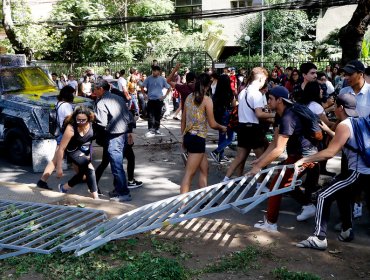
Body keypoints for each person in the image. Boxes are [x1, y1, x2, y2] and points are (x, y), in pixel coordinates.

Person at [295, 93, 370, 250]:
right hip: (364, 171)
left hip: (356, 172)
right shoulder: (359, 120)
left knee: (323, 196)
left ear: (340, 108)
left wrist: (304, 160)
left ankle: (319, 238)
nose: (333, 109)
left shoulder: (344, 125)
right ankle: (347, 231)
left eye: (335, 106)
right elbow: (348, 141)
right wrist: (329, 130)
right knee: (342, 194)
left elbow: (329, 153)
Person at [249, 86, 321, 232]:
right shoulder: (280, 115)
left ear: (280, 100)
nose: (267, 101)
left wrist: (259, 167)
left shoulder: (288, 116)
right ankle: (308, 206)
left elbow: (279, 149)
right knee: (285, 183)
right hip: (298, 155)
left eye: (270, 99)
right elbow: (275, 143)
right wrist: (260, 160)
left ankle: (270, 223)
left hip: (305, 156)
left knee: (277, 185)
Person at [223, 67, 275, 181]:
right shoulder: (256, 94)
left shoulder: (243, 91)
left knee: (239, 157)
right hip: (253, 129)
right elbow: (259, 114)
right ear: (261, 78)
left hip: (242, 127)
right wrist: (274, 116)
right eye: (265, 80)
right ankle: (259, 185)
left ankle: (225, 180)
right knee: (262, 159)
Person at [180, 73, 227, 194]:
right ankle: (182, 206)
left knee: (205, 169)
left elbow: (183, 119)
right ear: (208, 85)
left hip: (190, 137)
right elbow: (212, 124)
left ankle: (203, 198)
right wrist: (222, 127)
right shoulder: (207, 100)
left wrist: (183, 138)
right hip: (197, 139)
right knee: (189, 174)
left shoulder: (189, 97)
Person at [94, 79, 134, 202]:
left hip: (114, 135)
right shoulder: (118, 97)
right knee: (116, 163)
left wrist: (92, 118)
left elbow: (102, 122)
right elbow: (129, 116)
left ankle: (123, 192)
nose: (93, 92)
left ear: (101, 89)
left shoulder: (102, 103)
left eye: (95, 90)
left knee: (116, 166)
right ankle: (118, 189)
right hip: (122, 133)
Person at [56, 106, 99, 199]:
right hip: (73, 151)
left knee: (83, 173)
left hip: (85, 149)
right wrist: (59, 167)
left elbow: (91, 138)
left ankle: (64, 187)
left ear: (89, 118)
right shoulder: (71, 128)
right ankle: (96, 197)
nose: (80, 122)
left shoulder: (93, 124)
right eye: (78, 120)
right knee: (90, 169)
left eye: (83, 120)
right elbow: (61, 148)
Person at [36, 86, 75, 190]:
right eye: (72, 93)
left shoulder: (59, 104)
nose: (74, 95)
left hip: (62, 133)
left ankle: (83, 177)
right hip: (66, 134)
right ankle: (42, 181)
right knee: (57, 159)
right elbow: (69, 118)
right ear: (68, 94)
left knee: (74, 158)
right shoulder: (66, 105)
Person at [209, 74, 235, 163]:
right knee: (231, 137)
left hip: (219, 116)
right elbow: (234, 105)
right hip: (228, 115)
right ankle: (216, 151)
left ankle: (220, 156)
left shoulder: (216, 93)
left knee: (222, 136)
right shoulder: (230, 92)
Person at [141, 65, 171, 137]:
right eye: (153, 71)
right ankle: (151, 130)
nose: (153, 72)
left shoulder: (162, 79)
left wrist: (165, 96)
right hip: (151, 100)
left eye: (155, 71)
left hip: (159, 100)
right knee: (150, 115)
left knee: (158, 115)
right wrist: (144, 95)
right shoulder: (148, 78)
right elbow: (142, 86)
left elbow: (169, 88)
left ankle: (157, 129)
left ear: (159, 71)